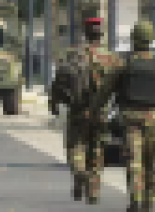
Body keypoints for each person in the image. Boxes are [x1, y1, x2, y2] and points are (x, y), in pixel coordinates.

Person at [93, 19, 155, 212]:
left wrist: (95, 110)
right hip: (154, 120)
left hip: (131, 118)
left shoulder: (123, 63)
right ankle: (149, 203)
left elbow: (105, 90)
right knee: (150, 164)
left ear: (134, 38)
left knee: (134, 162)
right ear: (150, 39)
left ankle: (135, 201)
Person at [48, 17, 121, 205]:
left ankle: (80, 173)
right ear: (101, 34)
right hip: (101, 113)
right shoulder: (111, 58)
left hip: (77, 110)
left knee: (75, 147)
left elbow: (59, 81)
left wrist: (53, 103)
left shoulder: (73, 54)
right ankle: (93, 192)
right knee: (97, 150)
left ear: (85, 32)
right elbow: (119, 86)